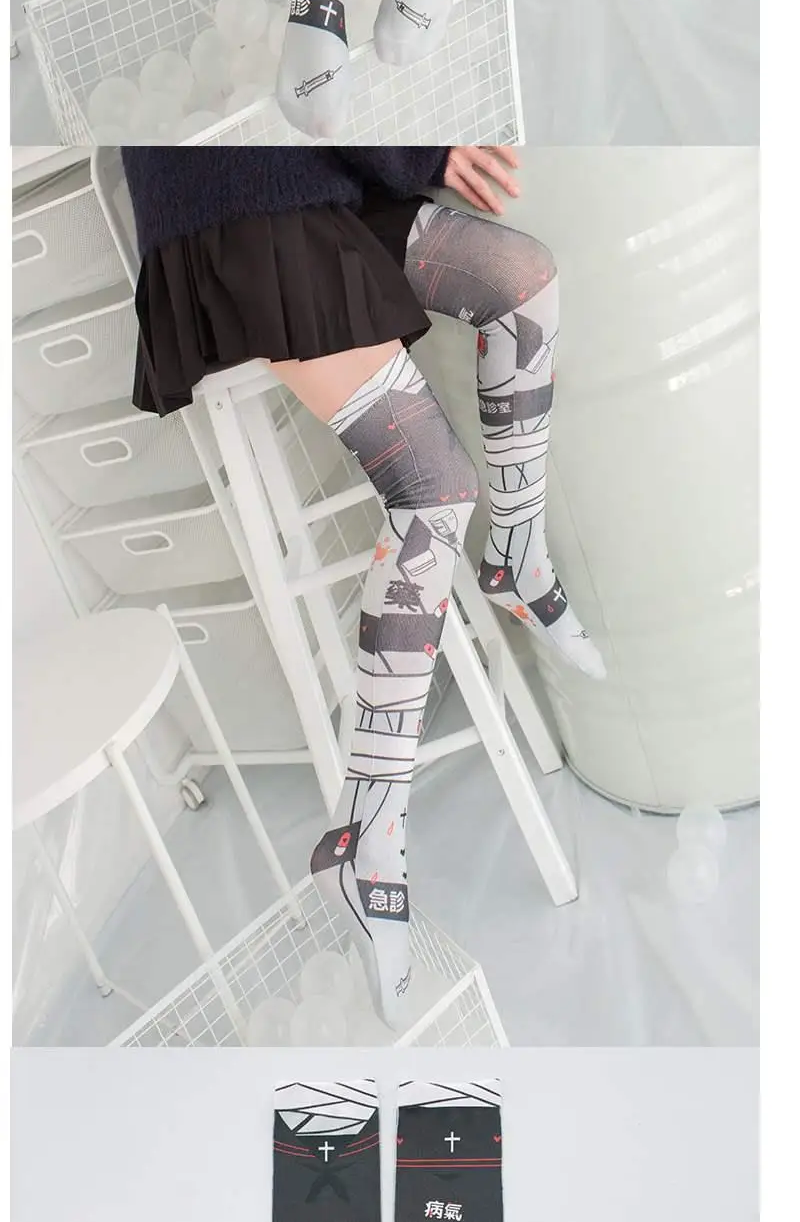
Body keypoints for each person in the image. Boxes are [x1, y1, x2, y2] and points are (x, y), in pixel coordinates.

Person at [121, 143, 605, 1029]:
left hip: (308, 190)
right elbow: (312, 92)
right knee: (432, 490)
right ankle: (364, 838)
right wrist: (419, 153)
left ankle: (517, 554)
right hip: (243, 210)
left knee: (522, 279)